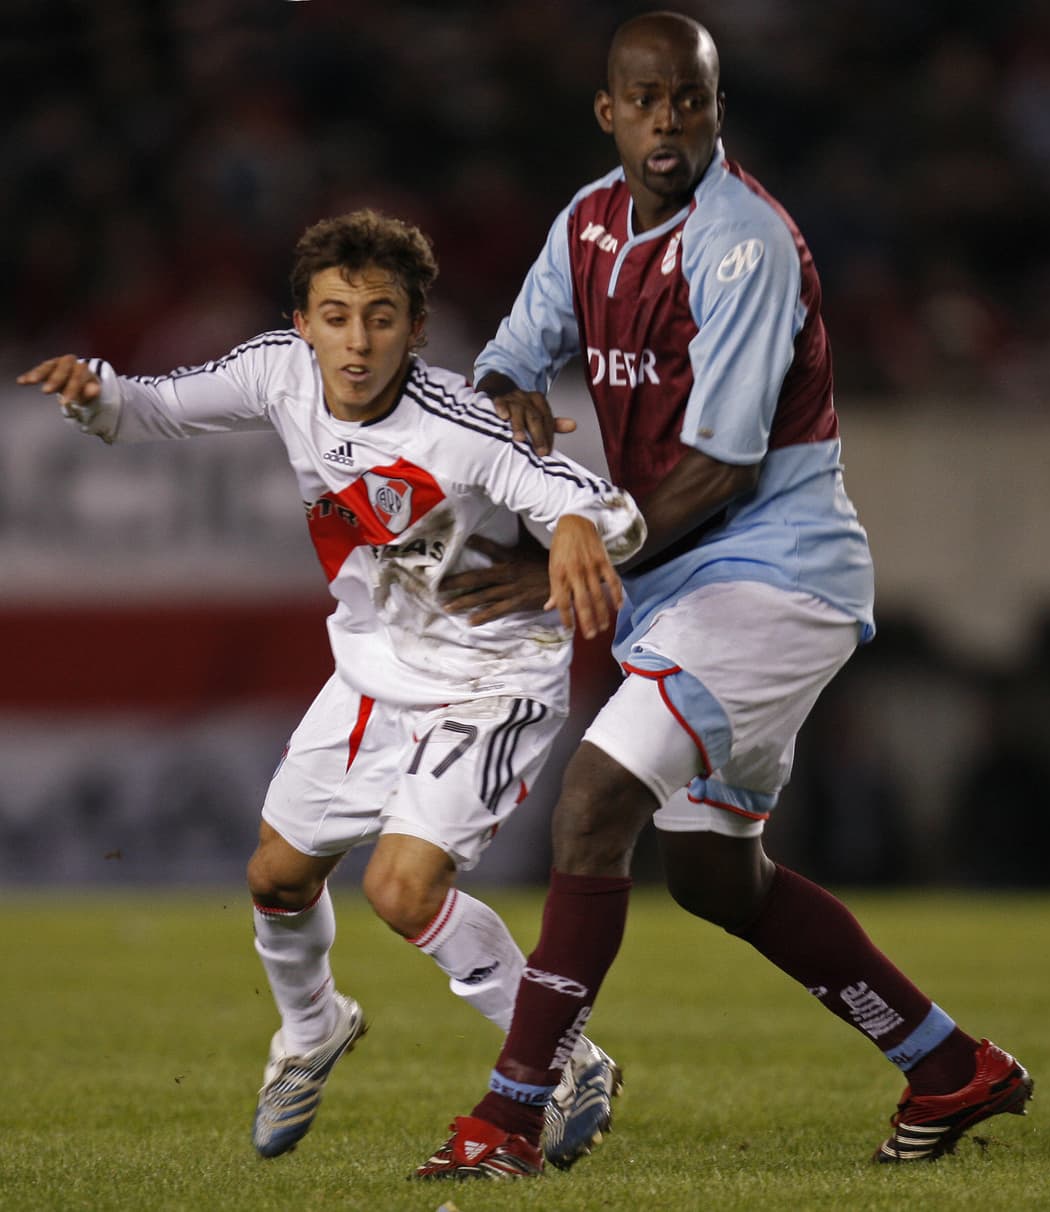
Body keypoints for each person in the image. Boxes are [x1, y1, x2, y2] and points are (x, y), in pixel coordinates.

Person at [417, 12, 1032, 1181]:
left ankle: (508, 1118)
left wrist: (569, 554)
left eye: (688, 101)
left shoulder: (743, 244)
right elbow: (509, 353)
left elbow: (720, 471)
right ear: (608, 113)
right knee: (710, 873)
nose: (666, 121)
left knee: (592, 805)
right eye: (644, 100)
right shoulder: (586, 222)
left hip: (770, 573)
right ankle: (948, 1066)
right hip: (682, 584)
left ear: (715, 109)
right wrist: (505, 409)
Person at [16, 209, 644, 1168]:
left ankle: (568, 1060)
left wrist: (573, 527)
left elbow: (607, 509)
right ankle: (312, 1030)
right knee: (275, 874)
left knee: (400, 887)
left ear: (417, 327)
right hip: (373, 666)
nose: (358, 342)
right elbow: (148, 407)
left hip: (490, 677)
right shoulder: (276, 370)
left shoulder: (461, 424)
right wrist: (91, 392)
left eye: (382, 318)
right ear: (302, 322)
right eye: (338, 316)